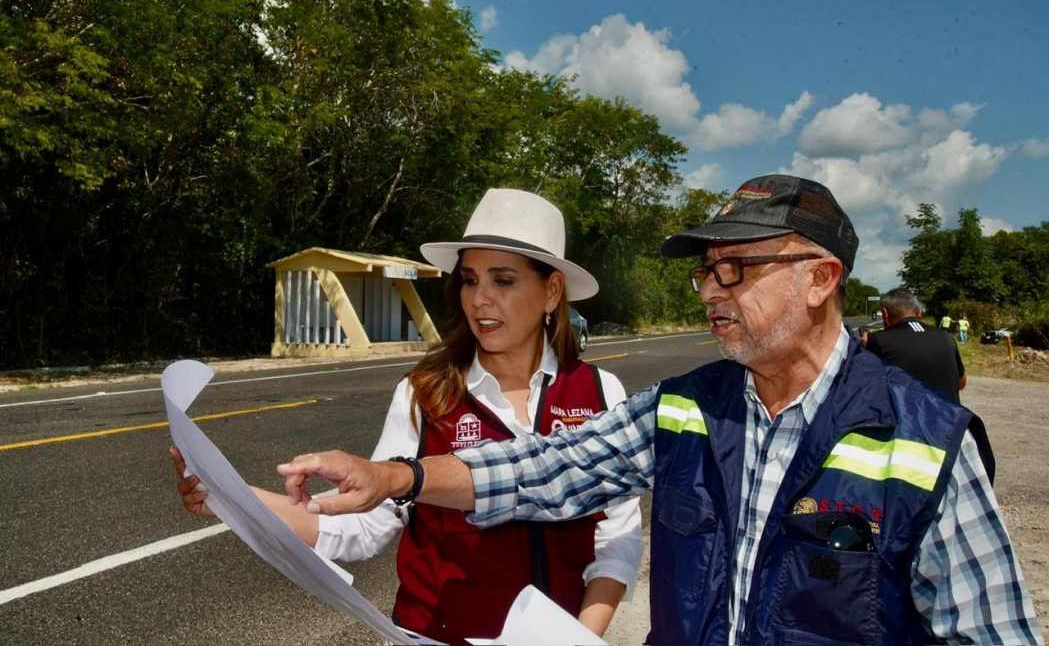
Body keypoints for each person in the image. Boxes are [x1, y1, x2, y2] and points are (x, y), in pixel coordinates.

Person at [277, 175, 1044, 646]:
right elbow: (544, 470)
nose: (711, 290)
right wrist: (396, 476)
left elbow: (991, 632)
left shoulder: (925, 442)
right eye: (707, 272)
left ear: (820, 278)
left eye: (735, 269)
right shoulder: (683, 410)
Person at [172, 188, 642, 644]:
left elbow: (616, 541)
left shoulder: (601, 392)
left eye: (503, 280)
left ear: (552, 290)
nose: (479, 299)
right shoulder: (426, 393)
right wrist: (228, 495)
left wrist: (579, 638)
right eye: (470, 280)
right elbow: (363, 526)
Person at [866, 288, 967, 404]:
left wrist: (863, 348)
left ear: (885, 314)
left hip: (906, 420)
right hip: (951, 419)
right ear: (919, 312)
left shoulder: (877, 340)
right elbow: (961, 382)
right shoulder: (946, 337)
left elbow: (864, 386)